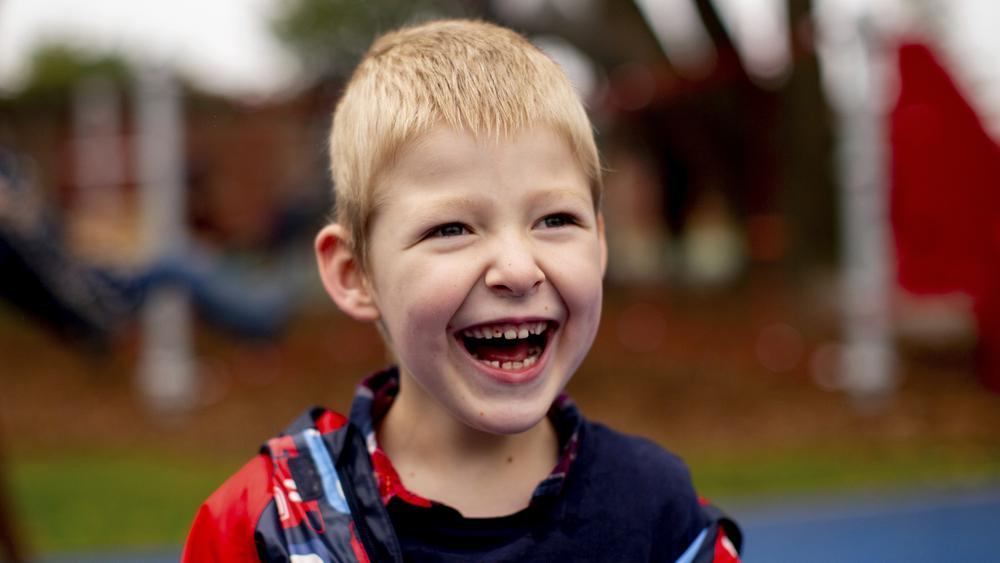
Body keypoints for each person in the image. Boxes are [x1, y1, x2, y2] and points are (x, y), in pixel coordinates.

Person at [182, 19, 742, 562]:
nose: (519, 270)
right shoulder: (269, 528)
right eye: (451, 228)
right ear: (356, 275)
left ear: (599, 243)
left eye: (554, 220)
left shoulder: (659, 518)